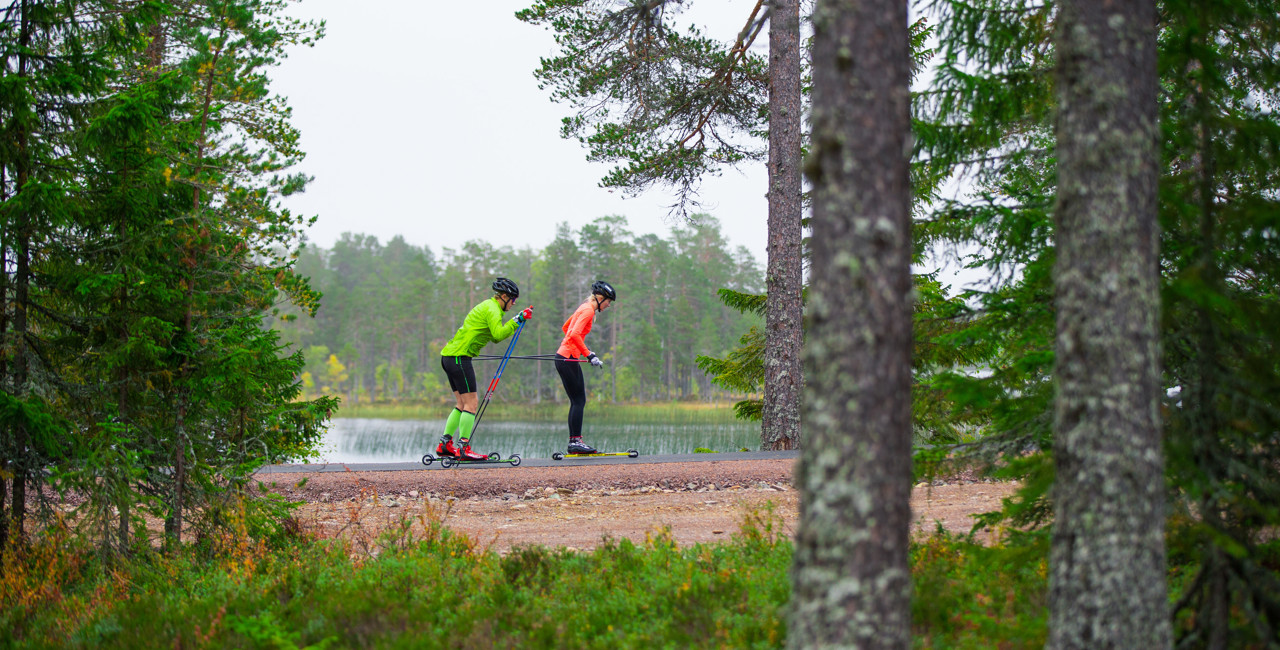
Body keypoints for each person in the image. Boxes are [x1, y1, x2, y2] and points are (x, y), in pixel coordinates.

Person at [436, 277, 532, 460]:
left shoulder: (487, 306)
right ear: (504, 297)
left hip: (448, 357)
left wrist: (516, 319)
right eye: (513, 299)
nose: (514, 303)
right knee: (471, 403)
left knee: (461, 403)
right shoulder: (493, 309)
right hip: (460, 358)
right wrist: (517, 320)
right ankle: (463, 447)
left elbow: (493, 336)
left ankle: (444, 444)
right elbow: (498, 335)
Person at [555, 280, 616, 454]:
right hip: (567, 358)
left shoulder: (584, 307)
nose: (608, 305)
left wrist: (581, 351)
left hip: (566, 357)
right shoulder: (588, 310)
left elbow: (566, 328)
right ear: (600, 298)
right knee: (579, 401)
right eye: (608, 301)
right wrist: (588, 354)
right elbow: (573, 333)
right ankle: (575, 442)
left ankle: (574, 442)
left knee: (577, 400)